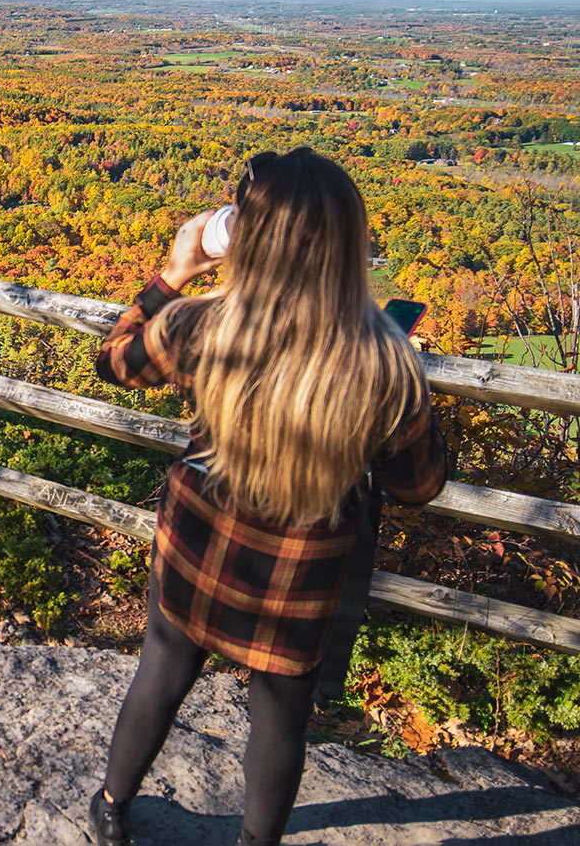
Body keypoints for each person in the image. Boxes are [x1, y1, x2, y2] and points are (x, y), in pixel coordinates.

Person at [90, 147, 448, 846]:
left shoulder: (200, 326)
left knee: (162, 673)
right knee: (281, 718)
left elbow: (114, 360)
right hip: (302, 575)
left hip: (199, 543)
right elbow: (418, 487)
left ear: (242, 240)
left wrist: (173, 274)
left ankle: (111, 807)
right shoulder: (385, 362)